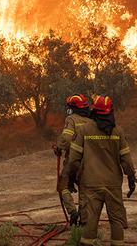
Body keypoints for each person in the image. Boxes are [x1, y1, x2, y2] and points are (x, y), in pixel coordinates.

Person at [68, 95, 136, 246]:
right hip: (113, 184)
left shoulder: (84, 130)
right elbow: (126, 160)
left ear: (94, 111)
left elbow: (73, 159)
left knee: (90, 220)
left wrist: (71, 178)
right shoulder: (118, 131)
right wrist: (131, 178)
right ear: (110, 111)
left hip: (90, 183)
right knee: (117, 220)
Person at [54, 94, 95, 225]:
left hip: (73, 160)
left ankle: (72, 212)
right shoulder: (91, 121)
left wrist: (59, 148)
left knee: (62, 185)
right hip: (89, 162)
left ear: (72, 108)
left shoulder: (71, 119)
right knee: (83, 189)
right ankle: (84, 221)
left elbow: (66, 139)